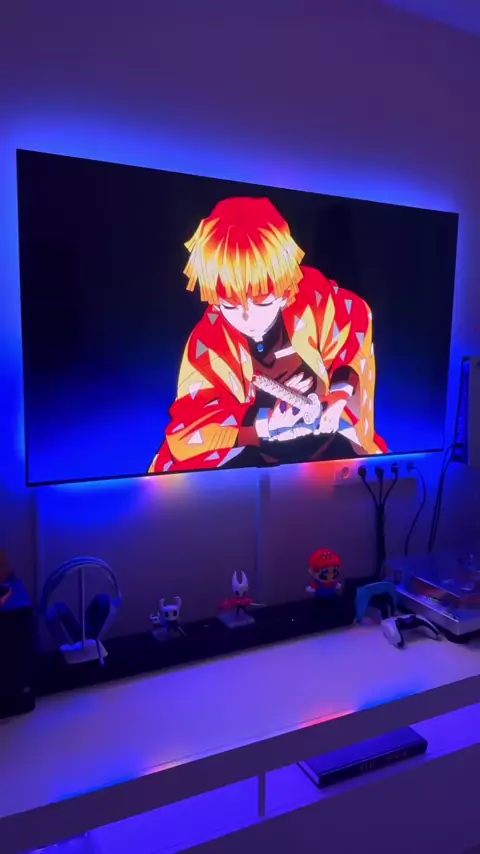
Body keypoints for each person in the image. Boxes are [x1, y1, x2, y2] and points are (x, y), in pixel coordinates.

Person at [149, 197, 387, 474]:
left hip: (326, 449)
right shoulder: (209, 339)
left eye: (262, 303)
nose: (247, 318)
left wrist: (339, 395)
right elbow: (187, 428)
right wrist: (263, 422)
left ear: (284, 291)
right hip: (250, 464)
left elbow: (354, 324)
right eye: (230, 306)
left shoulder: (315, 298)